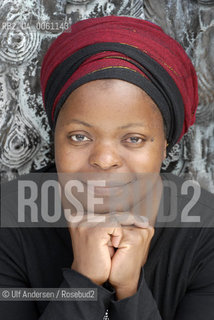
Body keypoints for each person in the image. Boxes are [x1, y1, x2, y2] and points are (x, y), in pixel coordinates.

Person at [0, 15, 214, 320]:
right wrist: (83, 282)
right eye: (79, 136)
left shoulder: (205, 235)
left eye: (134, 138)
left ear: (165, 145)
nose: (104, 159)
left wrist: (131, 292)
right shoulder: (9, 223)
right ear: (55, 136)